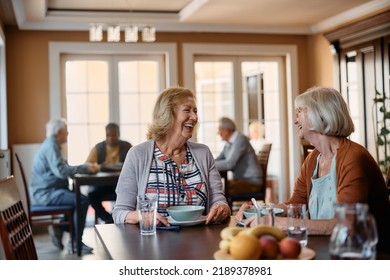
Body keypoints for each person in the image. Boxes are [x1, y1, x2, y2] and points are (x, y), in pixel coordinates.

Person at [235, 86, 390, 253]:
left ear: (320, 115)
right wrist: (258, 211)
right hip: (329, 249)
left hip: (365, 255)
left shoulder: (353, 158)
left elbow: (345, 224)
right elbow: (294, 205)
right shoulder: (313, 158)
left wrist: (276, 223)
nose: (295, 120)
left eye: (299, 112)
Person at [112, 86, 230, 225]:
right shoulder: (138, 155)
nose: (195, 117)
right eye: (187, 110)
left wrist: (221, 207)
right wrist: (143, 216)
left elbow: (218, 199)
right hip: (153, 241)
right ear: (167, 114)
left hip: (199, 239)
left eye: (195, 111)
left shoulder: (203, 153)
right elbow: (120, 213)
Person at [30, 118, 99, 254]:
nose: (67, 133)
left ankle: (62, 230)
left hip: (48, 191)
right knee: (82, 200)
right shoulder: (51, 147)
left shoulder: (51, 145)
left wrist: (82, 168)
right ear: (59, 132)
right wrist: (85, 168)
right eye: (65, 131)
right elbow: (61, 172)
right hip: (46, 194)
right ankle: (75, 242)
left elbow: (62, 168)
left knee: (76, 198)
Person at [86, 123, 132, 224]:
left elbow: (134, 164)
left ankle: (121, 218)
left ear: (118, 135)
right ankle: (109, 219)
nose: (110, 138)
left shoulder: (127, 146)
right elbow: (88, 165)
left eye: (113, 135)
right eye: (108, 135)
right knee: (91, 196)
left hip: (121, 185)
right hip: (102, 185)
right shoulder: (98, 148)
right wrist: (100, 166)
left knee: (131, 196)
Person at [214, 117, 262, 196]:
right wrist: (207, 162)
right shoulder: (229, 143)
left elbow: (230, 164)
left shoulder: (240, 139)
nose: (218, 133)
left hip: (251, 182)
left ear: (225, 129)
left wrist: (207, 165)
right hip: (242, 180)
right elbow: (219, 159)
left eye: (219, 129)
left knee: (219, 192)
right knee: (216, 189)